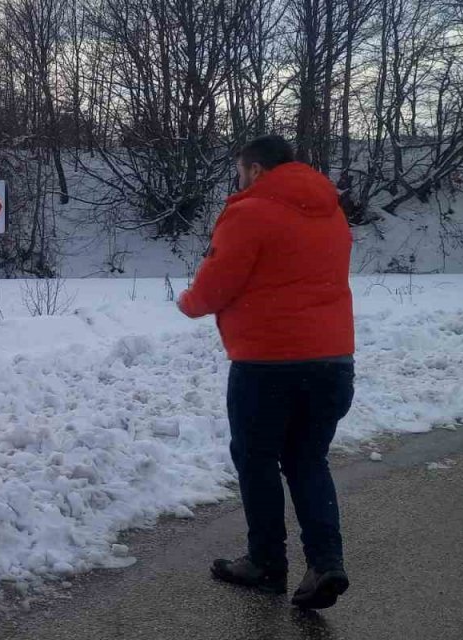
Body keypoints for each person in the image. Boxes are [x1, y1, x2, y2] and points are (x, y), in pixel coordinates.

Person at [177, 134, 355, 610]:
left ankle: (266, 563)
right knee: (307, 460)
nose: (239, 178)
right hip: (333, 361)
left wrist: (187, 302)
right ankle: (326, 561)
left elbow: (215, 286)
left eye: (240, 169)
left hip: (268, 364)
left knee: (256, 460)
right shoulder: (332, 212)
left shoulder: (249, 211)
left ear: (255, 169)